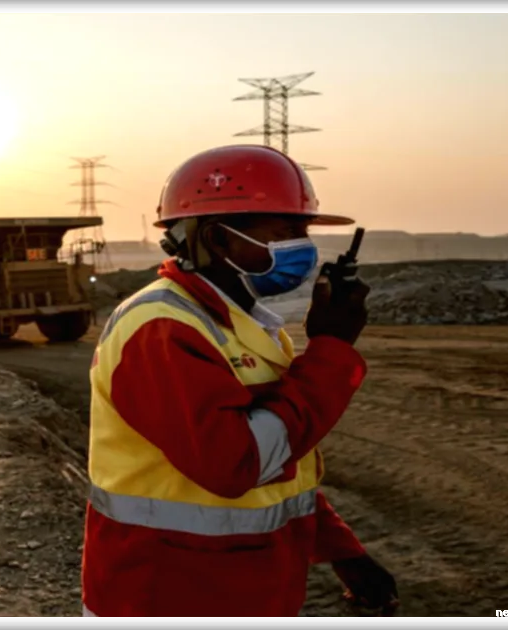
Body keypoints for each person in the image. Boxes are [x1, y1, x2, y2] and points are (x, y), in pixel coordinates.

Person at [81, 144, 399, 618]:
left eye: (304, 231)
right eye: (286, 232)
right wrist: (331, 350)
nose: (303, 247)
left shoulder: (241, 324)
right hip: (166, 596)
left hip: (243, 591)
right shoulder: (162, 329)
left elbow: (280, 460)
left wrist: (341, 550)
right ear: (218, 239)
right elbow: (237, 465)